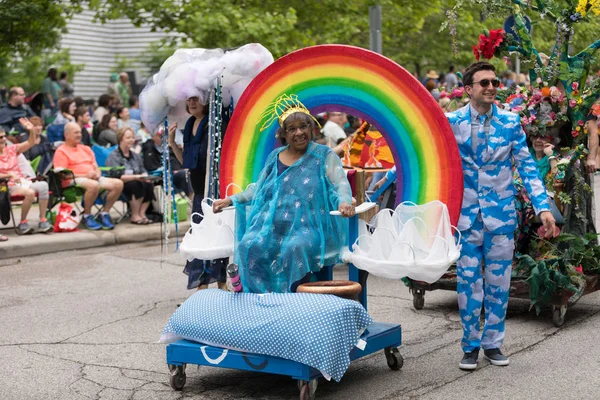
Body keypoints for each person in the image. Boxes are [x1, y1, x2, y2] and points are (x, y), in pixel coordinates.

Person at [446, 61, 555, 370]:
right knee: (468, 284)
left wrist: (542, 206)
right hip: (466, 219)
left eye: (494, 81)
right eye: (484, 82)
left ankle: (493, 343)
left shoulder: (510, 122)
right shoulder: (451, 122)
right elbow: (428, 153)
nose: (492, 86)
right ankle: (470, 346)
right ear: (468, 89)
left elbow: (527, 166)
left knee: (498, 284)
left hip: (501, 218)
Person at [212, 94, 355, 294]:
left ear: (311, 129)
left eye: (303, 126)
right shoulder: (274, 157)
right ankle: (259, 301)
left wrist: (344, 203)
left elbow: (340, 184)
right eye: (292, 129)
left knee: (293, 248)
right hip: (272, 226)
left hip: (309, 228)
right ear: (283, 135)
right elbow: (258, 189)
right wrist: (230, 200)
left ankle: (291, 303)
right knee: (248, 245)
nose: (299, 132)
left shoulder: (324, 155)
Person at [168, 96, 227, 290]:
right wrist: (172, 142)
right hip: (199, 191)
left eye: (197, 99)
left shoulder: (216, 123)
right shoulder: (191, 123)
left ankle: (221, 283)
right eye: (189, 100)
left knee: (218, 236)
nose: (192, 103)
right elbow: (186, 162)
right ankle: (202, 283)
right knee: (200, 236)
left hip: (214, 190)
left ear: (206, 100)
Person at [53, 122, 124, 230]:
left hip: (91, 178)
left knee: (118, 184)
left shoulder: (86, 149)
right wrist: (85, 175)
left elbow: (96, 167)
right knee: (93, 185)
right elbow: (62, 175)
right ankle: (87, 215)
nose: (79, 135)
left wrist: (97, 173)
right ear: (66, 135)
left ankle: (104, 214)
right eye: (75, 132)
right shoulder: (61, 151)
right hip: (73, 179)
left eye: (80, 132)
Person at [0, 118, 53, 234]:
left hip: (20, 182)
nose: (4, 139)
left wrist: (32, 130)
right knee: (29, 193)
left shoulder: (12, 149)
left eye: (4, 136)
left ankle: (43, 220)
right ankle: (23, 222)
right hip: (4, 186)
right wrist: (9, 175)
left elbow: (31, 142)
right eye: (1, 137)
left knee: (43, 185)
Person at [106, 127, 154, 224]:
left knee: (149, 184)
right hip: (122, 183)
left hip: (137, 180)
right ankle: (134, 215)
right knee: (135, 185)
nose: (131, 140)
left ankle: (142, 214)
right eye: (128, 138)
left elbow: (142, 169)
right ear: (120, 139)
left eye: (133, 137)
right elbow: (116, 176)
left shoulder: (135, 156)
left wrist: (145, 175)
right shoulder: (114, 156)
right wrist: (136, 177)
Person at [142, 127, 190, 196]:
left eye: (165, 135)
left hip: (173, 173)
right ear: (153, 136)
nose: (163, 137)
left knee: (187, 173)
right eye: (160, 136)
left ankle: (191, 199)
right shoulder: (148, 147)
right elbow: (151, 167)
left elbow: (174, 161)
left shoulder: (168, 147)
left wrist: (177, 169)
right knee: (181, 175)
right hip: (161, 176)